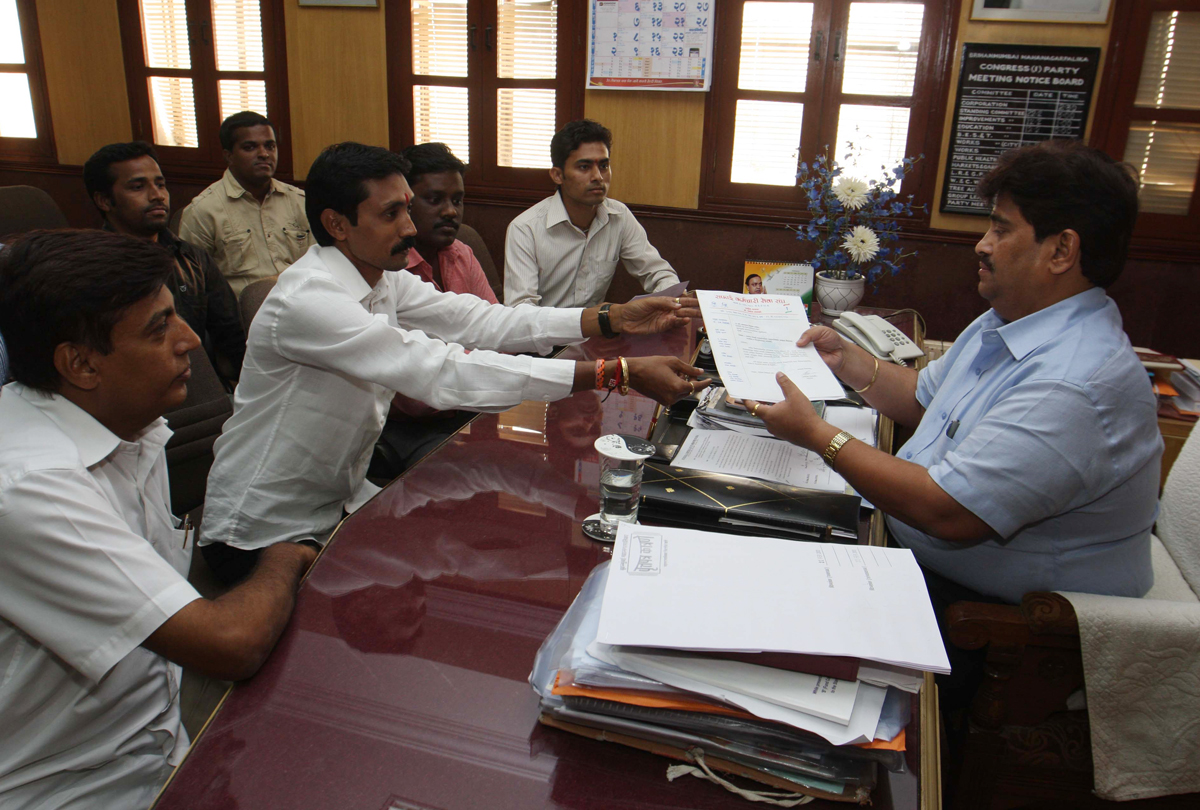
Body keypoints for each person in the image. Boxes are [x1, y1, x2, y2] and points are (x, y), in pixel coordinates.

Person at [200, 142, 708, 585]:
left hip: (338, 503)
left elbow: (485, 322)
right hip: (260, 530)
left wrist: (611, 316)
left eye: (406, 208)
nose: (408, 225)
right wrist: (613, 373)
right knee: (451, 559)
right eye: (390, 214)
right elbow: (443, 372)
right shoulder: (309, 300)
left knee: (453, 550)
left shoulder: (382, 276)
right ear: (337, 224)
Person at [747, 140, 1161, 607]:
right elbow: (924, 398)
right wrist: (846, 359)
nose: (982, 245)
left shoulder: (1075, 383)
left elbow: (947, 512)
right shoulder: (1011, 318)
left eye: (1001, 230)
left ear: (1062, 250)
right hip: (920, 554)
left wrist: (818, 436)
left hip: (998, 624)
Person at [0, 230, 318, 809]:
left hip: (160, 747)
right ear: (80, 363)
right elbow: (230, 644)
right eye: (159, 327)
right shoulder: (28, 485)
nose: (191, 340)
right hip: (72, 790)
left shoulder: (131, 426)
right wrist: (282, 557)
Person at [83, 141, 245, 380]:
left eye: (160, 184)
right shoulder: (93, 268)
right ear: (104, 201)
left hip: (197, 385)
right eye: (138, 187)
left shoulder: (192, 258)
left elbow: (231, 337)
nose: (157, 195)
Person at [504, 119, 682, 308]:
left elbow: (659, 273)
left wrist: (670, 300)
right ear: (557, 175)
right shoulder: (525, 229)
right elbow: (520, 311)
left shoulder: (618, 215)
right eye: (584, 167)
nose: (598, 177)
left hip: (598, 333)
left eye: (604, 166)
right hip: (545, 336)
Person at [179, 111, 315, 296]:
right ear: (229, 156)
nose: (264, 154)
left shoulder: (301, 202)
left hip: (304, 305)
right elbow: (191, 285)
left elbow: (321, 263)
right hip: (242, 318)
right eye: (250, 147)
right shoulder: (203, 211)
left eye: (270, 146)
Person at [401, 141, 497, 302]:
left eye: (457, 201)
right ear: (406, 201)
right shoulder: (389, 264)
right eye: (435, 200)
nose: (451, 211)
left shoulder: (462, 253)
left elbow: (494, 320)